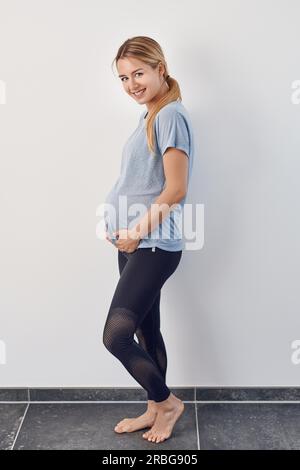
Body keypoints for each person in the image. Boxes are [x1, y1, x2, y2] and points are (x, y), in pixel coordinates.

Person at [102, 36, 195, 444]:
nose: (131, 84)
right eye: (124, 77)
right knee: (145, 330)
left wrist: (137, 232)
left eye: (138, 73)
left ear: (160, 68)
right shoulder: (148, 116)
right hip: (136, 243)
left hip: (154, 245)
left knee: (116, 335)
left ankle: (168, 402)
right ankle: (154, 408)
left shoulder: (171, 115)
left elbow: (175, 189)